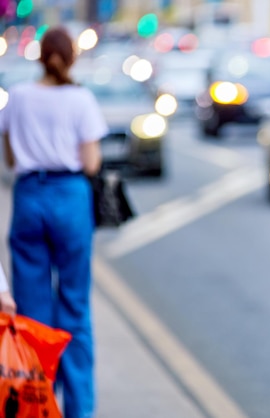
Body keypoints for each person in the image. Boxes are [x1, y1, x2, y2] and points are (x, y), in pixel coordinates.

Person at [0, 26, 107, 418]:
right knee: (75, 306)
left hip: (30, 197)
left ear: (39, 56)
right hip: (69, 198)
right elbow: (92, 163)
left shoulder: (18, 98)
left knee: (31, 312)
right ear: (71, 57)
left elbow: (10, 160)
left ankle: (37, 402)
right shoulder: (81, 99)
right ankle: (79, 409)